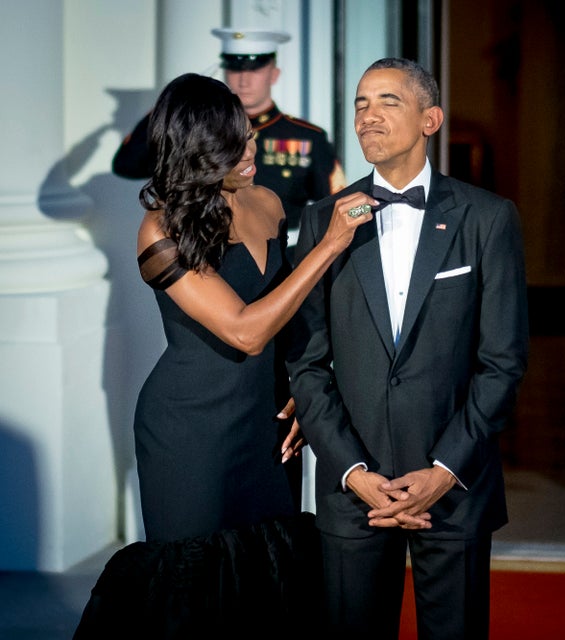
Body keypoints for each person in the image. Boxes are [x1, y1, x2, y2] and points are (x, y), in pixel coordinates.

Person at [74, 72, 373, 636]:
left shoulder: (266, 201)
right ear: (199, 148)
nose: (252, 149)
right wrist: (330, 244)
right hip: (190, 434)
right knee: (195, 596)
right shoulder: (158, 228)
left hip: (266, 427)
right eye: (235, 141)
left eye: (251, 135)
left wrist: (301, 396)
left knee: (268, 585)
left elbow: (290, 323)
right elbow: (245, 331)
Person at [286, 57, 529, 639]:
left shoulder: (488, 218)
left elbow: (503, 360)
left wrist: (444, 469)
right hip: (354, 490)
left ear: (431, 119)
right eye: (360, 105)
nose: (367, 117)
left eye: (387, 102)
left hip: (453, 485)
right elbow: (305, 361)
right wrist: (351, 470)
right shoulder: (324, 219)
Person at [113, 27, 346, 247]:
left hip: (286, 253)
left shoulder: (307, 137)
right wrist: (170, 105)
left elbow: (338, 203)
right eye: (235, 69)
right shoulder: (198, 133)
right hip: (211, 250)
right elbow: (127, 165)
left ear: (274, 75)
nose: (244, 80)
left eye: (254, 69)